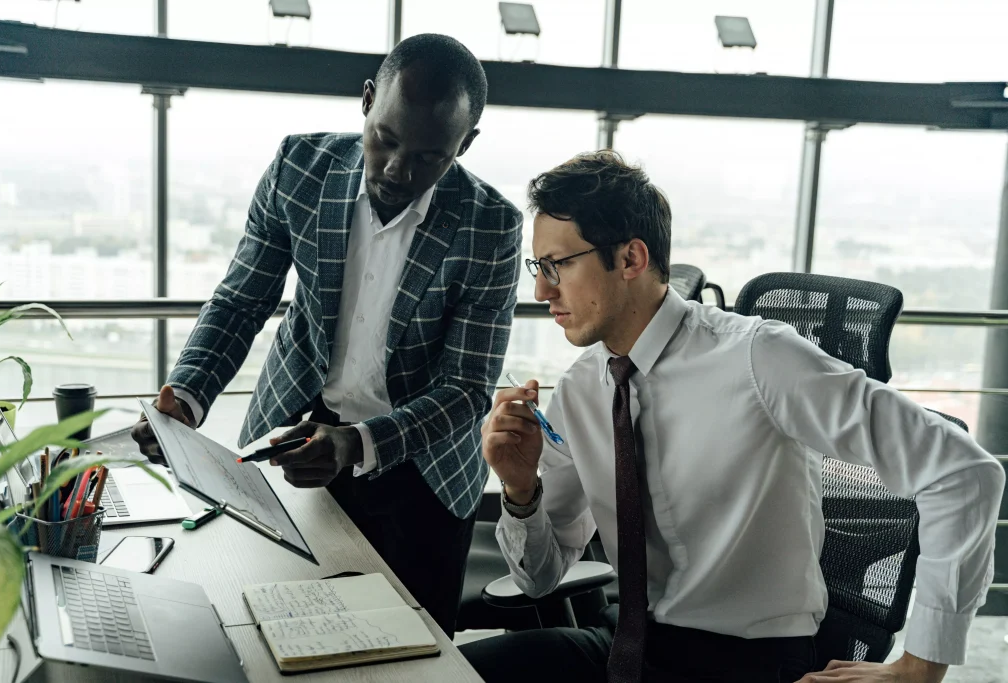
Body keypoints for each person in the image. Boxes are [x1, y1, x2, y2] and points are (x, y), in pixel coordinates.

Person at [460, 151, 1005, 682]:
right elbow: (539, 581)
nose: (540, 290)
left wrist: (919, 667)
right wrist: (519, 489)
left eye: (557, 265)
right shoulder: (584, 386)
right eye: (539, 266)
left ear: (630, 259)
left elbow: (964, 471)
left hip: (748, 661)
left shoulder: (757, 357)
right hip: (630, 646)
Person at [131, 34, 522, 637]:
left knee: (411, 656)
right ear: (367, 101)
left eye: (428, 157)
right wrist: (185, 397)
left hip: (424, 469)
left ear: (464, 145)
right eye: (386, 140)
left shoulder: (490, 226)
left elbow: (468, 389)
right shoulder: (300, 169)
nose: (397, 169)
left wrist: (358, 444)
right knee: (267, 626)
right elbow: (241, 301)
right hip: (292, 434)